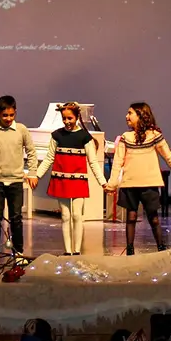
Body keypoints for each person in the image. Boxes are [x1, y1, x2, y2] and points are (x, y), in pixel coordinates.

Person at [105, 102, 171, 255]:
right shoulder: (125, 137)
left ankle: (161, 248)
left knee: (153, 218)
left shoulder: (154, 136)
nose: (126, 116)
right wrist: (112, 184)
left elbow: (168, 156)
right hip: (130, 184)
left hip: (149, 183)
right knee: (131, 216)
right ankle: (130, 250)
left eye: (130, 113)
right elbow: (117, 162)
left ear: (141, 115)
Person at [35, 102, 107, 255]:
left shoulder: (84, 137)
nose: (67, 122)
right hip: (61, 180)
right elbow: (49, 158)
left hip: (78, 180)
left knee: (76, 215)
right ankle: (68, 251)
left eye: (70, 118)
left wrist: (103, 183)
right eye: (64, 119)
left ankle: (77, 250)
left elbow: (93, 162)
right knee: (65, 215)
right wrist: (37, 175)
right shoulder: (57, 135)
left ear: (76, 117)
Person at [0, 95, 38, 261]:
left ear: (15, 113)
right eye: (5, 115)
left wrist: (32, 172)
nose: (8, 119)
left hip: (16, 180)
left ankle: (18, 251)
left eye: (12, 115)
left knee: (16, 218)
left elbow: (31, 152)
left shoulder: (21, 130)